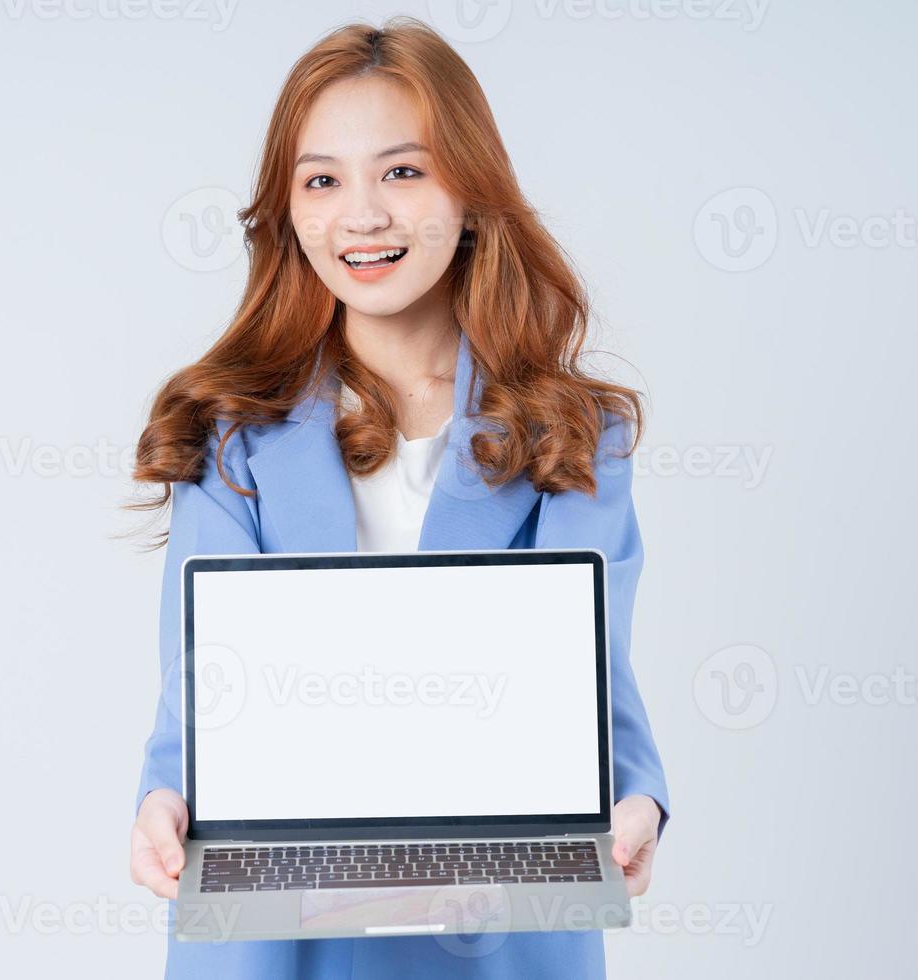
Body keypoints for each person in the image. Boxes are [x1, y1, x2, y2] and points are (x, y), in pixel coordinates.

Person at [124, 16, 670, 978]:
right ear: (289, 212)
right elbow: (201, 685)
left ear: (472, 196)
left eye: (404, 172)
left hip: (499, 918)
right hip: (278, 923)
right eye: (322, 179)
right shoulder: (229, 431)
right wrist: (165, 797)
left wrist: (638, 800)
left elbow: (595, 674)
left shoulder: (574, 432)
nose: (362, 216)